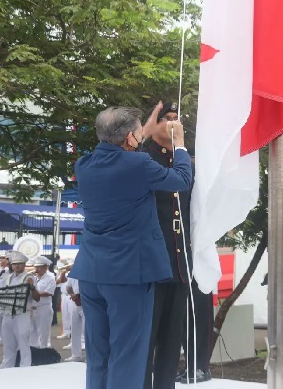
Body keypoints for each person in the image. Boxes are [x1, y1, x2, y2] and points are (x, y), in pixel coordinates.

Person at [69, 103, 192, 389]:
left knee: (99, 356)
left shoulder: (84, 164)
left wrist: (142, 130)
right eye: (138, 134)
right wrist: (181, 146)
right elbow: (182, 180)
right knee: (128, 355)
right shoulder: (138, 164)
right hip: (128, 275)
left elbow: (119, 153)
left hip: (91, 273)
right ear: (129, 139)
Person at [140, 101, 194, 389]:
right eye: (167, 119)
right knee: (145, 343)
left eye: (177, 119)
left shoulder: (186, 162)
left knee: (172, 344)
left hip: (179, 265)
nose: (173, 125)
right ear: (154, 124)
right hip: (151, 266)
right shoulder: (144, 159)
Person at [0, 250, 41, 369]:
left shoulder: (29, 277)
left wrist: (32, 287)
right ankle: (8, 365)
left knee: (23, 341)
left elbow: (37, 298)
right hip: (8, 313)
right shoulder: (8, 278)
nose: (16, 266)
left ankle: (25, 366)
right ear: (11, 264)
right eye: (14, 263)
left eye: (19, 263)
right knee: (8, 343)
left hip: (22, 313)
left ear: (24, 264)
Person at [178, 281, 214, 384]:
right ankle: (190, 365)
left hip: (202, 276)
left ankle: (203, 367)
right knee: (187, 321)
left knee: (201, 320)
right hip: (186, 275)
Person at [29, 255, 56, 349]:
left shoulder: (50, 278)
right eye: (36, 266)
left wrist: (33, 292)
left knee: (43, 333)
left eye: (39, 266)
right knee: (32, 332)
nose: (37, 268)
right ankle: (34, 352)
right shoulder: (32, 278)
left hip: (43, 308)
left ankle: (44, 353)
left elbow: (48, 292)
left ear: (45, 267)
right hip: (32, 308)